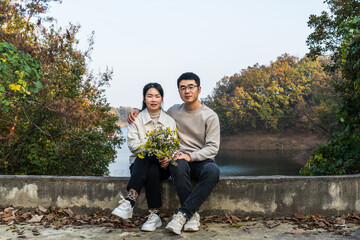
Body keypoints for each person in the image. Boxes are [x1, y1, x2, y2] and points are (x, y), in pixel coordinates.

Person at [128, 72, 220, 235]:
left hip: (201, 160)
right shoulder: (173, 111)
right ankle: (191, 216)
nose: (187, 91)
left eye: (191, 87)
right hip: (179, 158)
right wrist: (137, 110)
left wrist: (191, 156)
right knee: (176, 165)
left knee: (213, 171)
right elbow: (154, 111)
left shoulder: (210, 116)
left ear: (199, 89)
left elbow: (212, 148)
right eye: (182, 88)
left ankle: (184, 214)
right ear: (179, 91)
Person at [112, 83, 176, 232]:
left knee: (151, 163)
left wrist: (167, 157)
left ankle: (130, 201)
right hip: (140, 164)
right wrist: (151, 148)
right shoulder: (136, 118)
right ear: (144, 98)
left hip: (163, 166)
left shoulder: (169, 121)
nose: (153, 99)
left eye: (157, 96)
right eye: (149, 96)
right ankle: (154, 215)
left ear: (161, 99)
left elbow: (173, 146)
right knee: (147, 162)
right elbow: (133, 145)